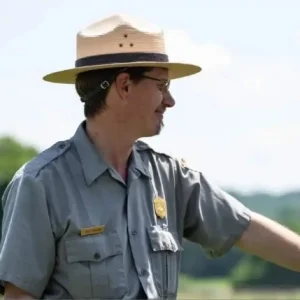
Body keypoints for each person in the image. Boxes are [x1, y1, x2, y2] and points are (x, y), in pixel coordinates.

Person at [0, 14, 300, 300]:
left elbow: (245, 229)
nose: (170, 100)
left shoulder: (171, 177)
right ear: (125, 86)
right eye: (162, 85)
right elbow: (19, 294)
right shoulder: (40, 185)